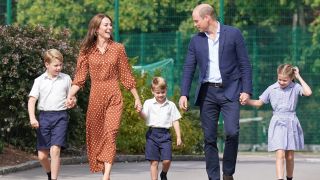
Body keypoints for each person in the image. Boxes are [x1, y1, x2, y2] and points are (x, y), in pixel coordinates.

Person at [179, 3, 252, 180]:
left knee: (232, 132)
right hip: (208, 94)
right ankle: (214, 177)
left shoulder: (233, 34)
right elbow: (189, 67)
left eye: (196, 20)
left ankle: (228, 173)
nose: (194, 24)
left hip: (230, 91)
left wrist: (246, 90)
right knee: (209, 138)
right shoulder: (196, 40)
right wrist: (184, 93)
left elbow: (245, 64)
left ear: (207, 18)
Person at [65, 13, 142, 180]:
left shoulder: (118, 48)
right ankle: (105, 171)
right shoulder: (86, 51)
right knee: (98, 135)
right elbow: (79, 78)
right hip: (96, 97)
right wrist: (70, 96)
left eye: (110, 25)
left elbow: (126, 75)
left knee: (111, 133)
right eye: (105, 25)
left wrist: (137, 97)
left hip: (114, 95)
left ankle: (106, 176)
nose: (109, 28)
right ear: (96, 29)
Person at [243, 64, 312, 180]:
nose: (281, 82)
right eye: (279, 79)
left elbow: (308, 92)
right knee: (280, 153)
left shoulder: (295, 87)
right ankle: (279, 178)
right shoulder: (272, 88)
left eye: (285, 80)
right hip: (277, 123)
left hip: (291, 122)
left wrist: (298, 76)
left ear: (291, 78)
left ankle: (289, 177)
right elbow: (259, 103)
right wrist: (247, 101)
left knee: (289, 156)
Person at [28, 49, 75, 180]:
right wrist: (32, 118)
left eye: (60, 65)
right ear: (46, 64)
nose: (59, 68)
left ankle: (54, 178)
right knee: (42, 156)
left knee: (55, 150)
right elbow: (32, 100)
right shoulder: (39, 80)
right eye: (56, 65)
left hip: (61, 117)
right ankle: (49, 174)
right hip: (44, 118)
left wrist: (72, 101)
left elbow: (72, 98)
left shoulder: (66, 78)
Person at [139, 77, 182, 180]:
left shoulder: (171, 105)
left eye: (163, 92)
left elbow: (175, 121)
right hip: (152, 134)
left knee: (167, 160)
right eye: (158, 93)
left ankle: (163, 173)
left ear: (166, 90)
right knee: (154, 162)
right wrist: (139, 112)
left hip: (165, 135)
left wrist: (178, 137)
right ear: (152, 91)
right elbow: (144, 116)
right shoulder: (148, 103)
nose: (160, 95)